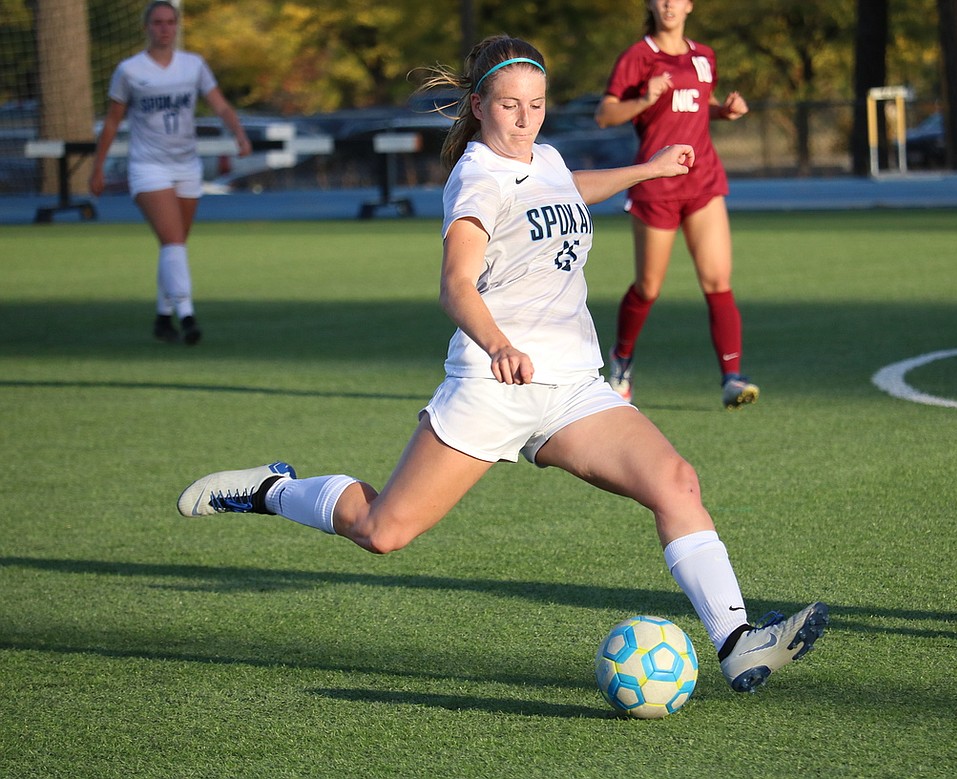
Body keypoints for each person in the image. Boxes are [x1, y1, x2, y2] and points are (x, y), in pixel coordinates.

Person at [176, 35, 827, 694]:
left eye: (537, 105)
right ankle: (271, 488)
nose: (526, 119)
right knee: (381, 531)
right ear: (479, 104)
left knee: (676, 482)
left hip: (573, 387)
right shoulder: (477, 177)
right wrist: (498, 345)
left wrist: (648, 170)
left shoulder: (544, 155)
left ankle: (736, 641)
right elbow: (455, 284)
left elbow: (564, 187)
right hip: (492, 387)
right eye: (511, 106)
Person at [595, 0, 757, 409]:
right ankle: (622, 360)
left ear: (689, 5)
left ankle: (732, 378)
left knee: (718, 281)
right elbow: (605, 116)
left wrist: (725, 111)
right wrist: (644, 100)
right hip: (655, 184)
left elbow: (698, 108)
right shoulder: (638, 56)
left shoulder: (705, 55)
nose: (668, 4)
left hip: (702, 181)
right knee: (648, 287)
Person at [89, 0, 252, 345]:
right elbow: (113, 121)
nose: (164, 28)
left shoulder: (193, 65)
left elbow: (220, 103)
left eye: (169, 22)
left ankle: (163, 319)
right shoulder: (130, 70)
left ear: (177, 26)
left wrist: (238, 134)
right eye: (157, 23)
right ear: (146, 28)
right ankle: (188, 315)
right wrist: (97, 168)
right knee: (173, 242)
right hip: (148, 166)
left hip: (186, 165)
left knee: (173, 246)